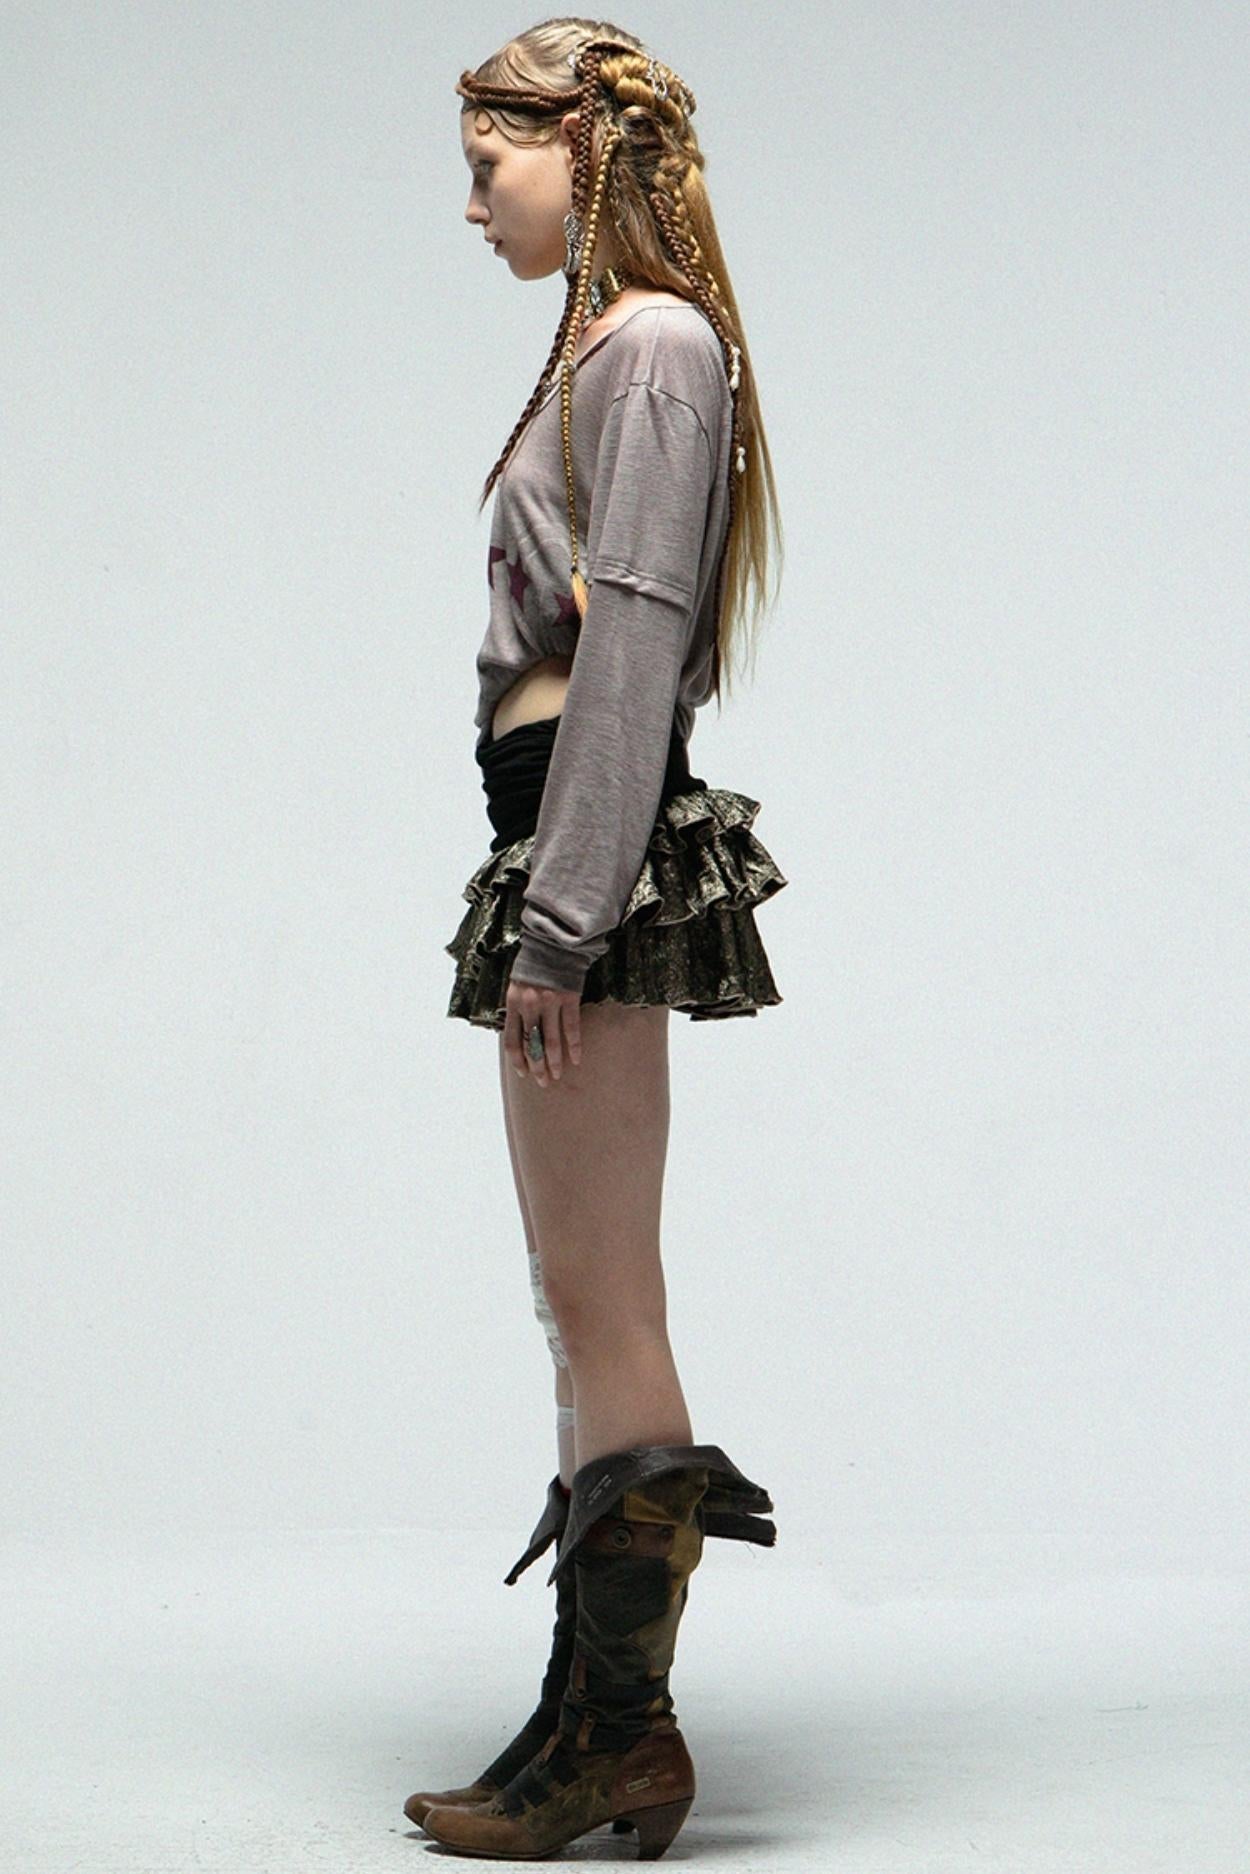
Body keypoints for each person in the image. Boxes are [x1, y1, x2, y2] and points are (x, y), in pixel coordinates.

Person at [408, 20, 787, 1859]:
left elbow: (629, 639)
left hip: (586, 853)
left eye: (490, 163)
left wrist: (562, 921)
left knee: (603, 1301)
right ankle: (584, 1718)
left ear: (585, 146)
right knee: (574, 1300)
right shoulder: (612, 348)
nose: (473, 201)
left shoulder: (652, 347)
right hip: (553, 835)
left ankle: (623, 1735)